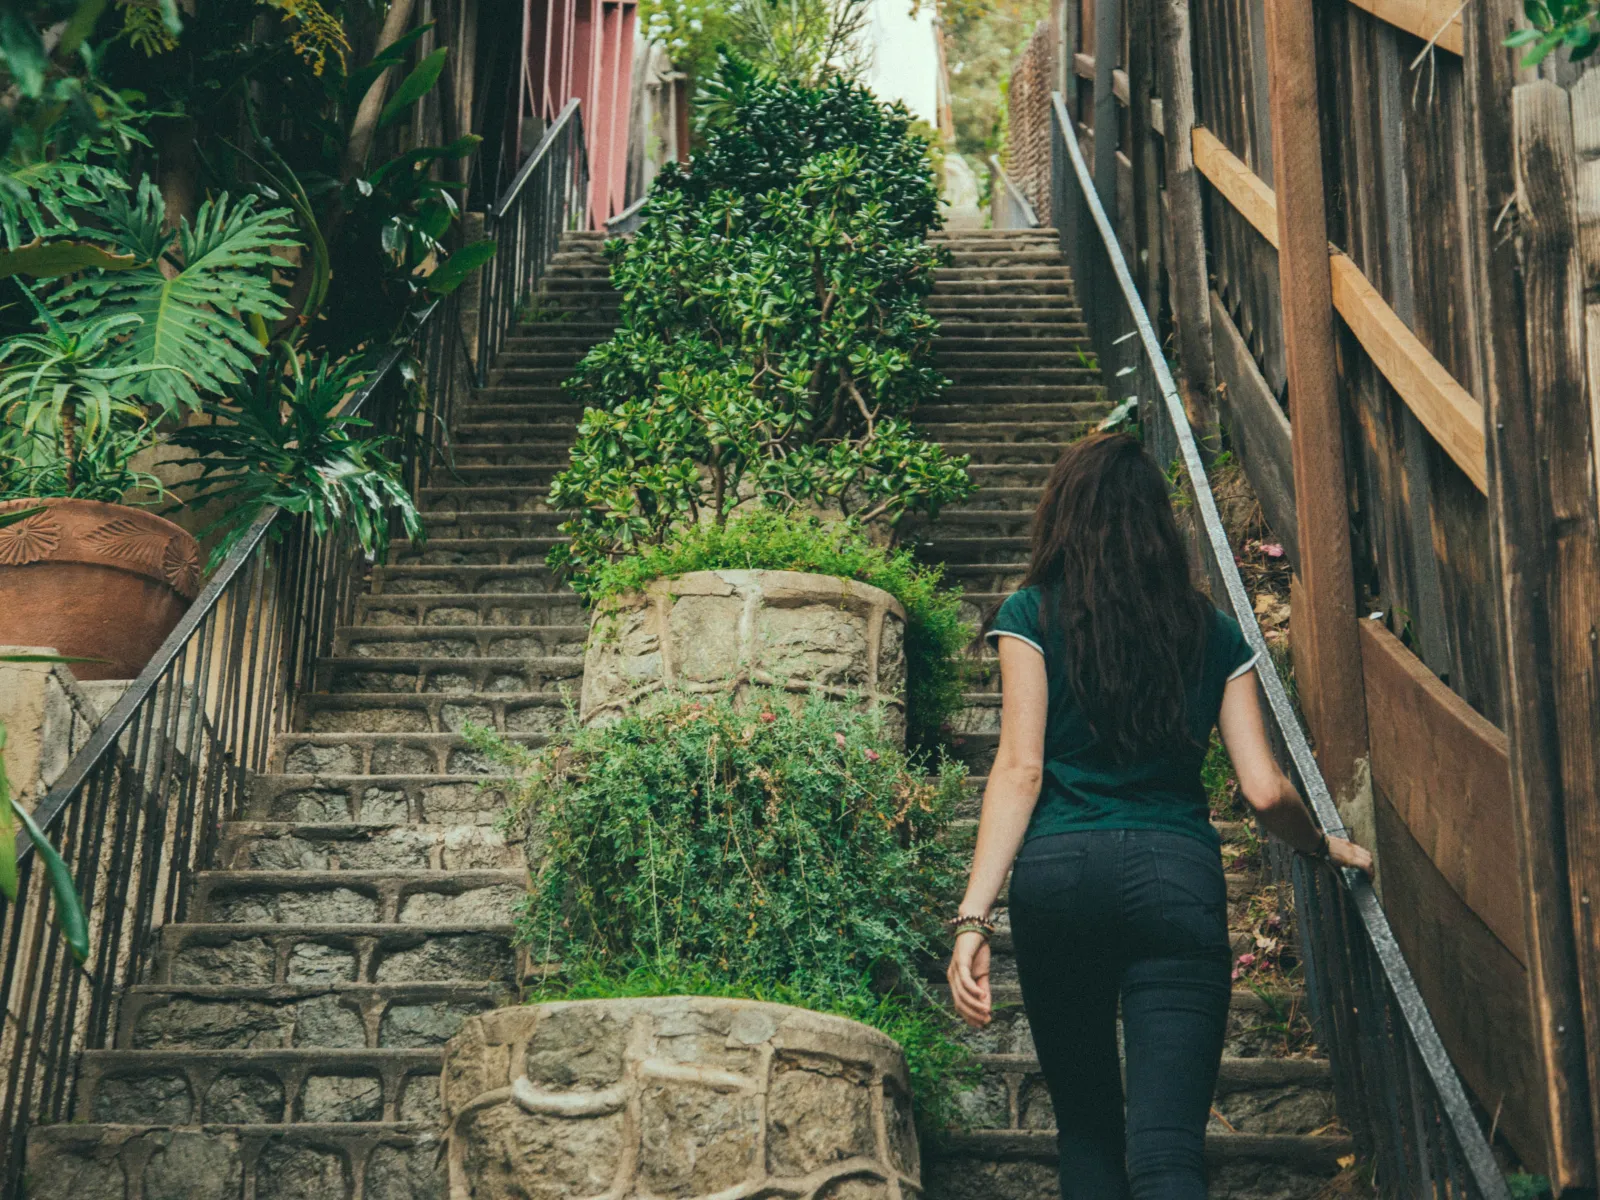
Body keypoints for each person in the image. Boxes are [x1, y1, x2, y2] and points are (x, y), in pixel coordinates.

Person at [945, 432, 1372, 1200]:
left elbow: (1020, 767)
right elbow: (1265, 790)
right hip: (1175, 880)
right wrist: (1320, 845)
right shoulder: (1210, 631)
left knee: (1087, 1132)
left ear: (1062, 515)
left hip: (1059, 878)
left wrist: (973, 918)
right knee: (1168, 1150)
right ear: (1156, 524)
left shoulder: (1030, 613)